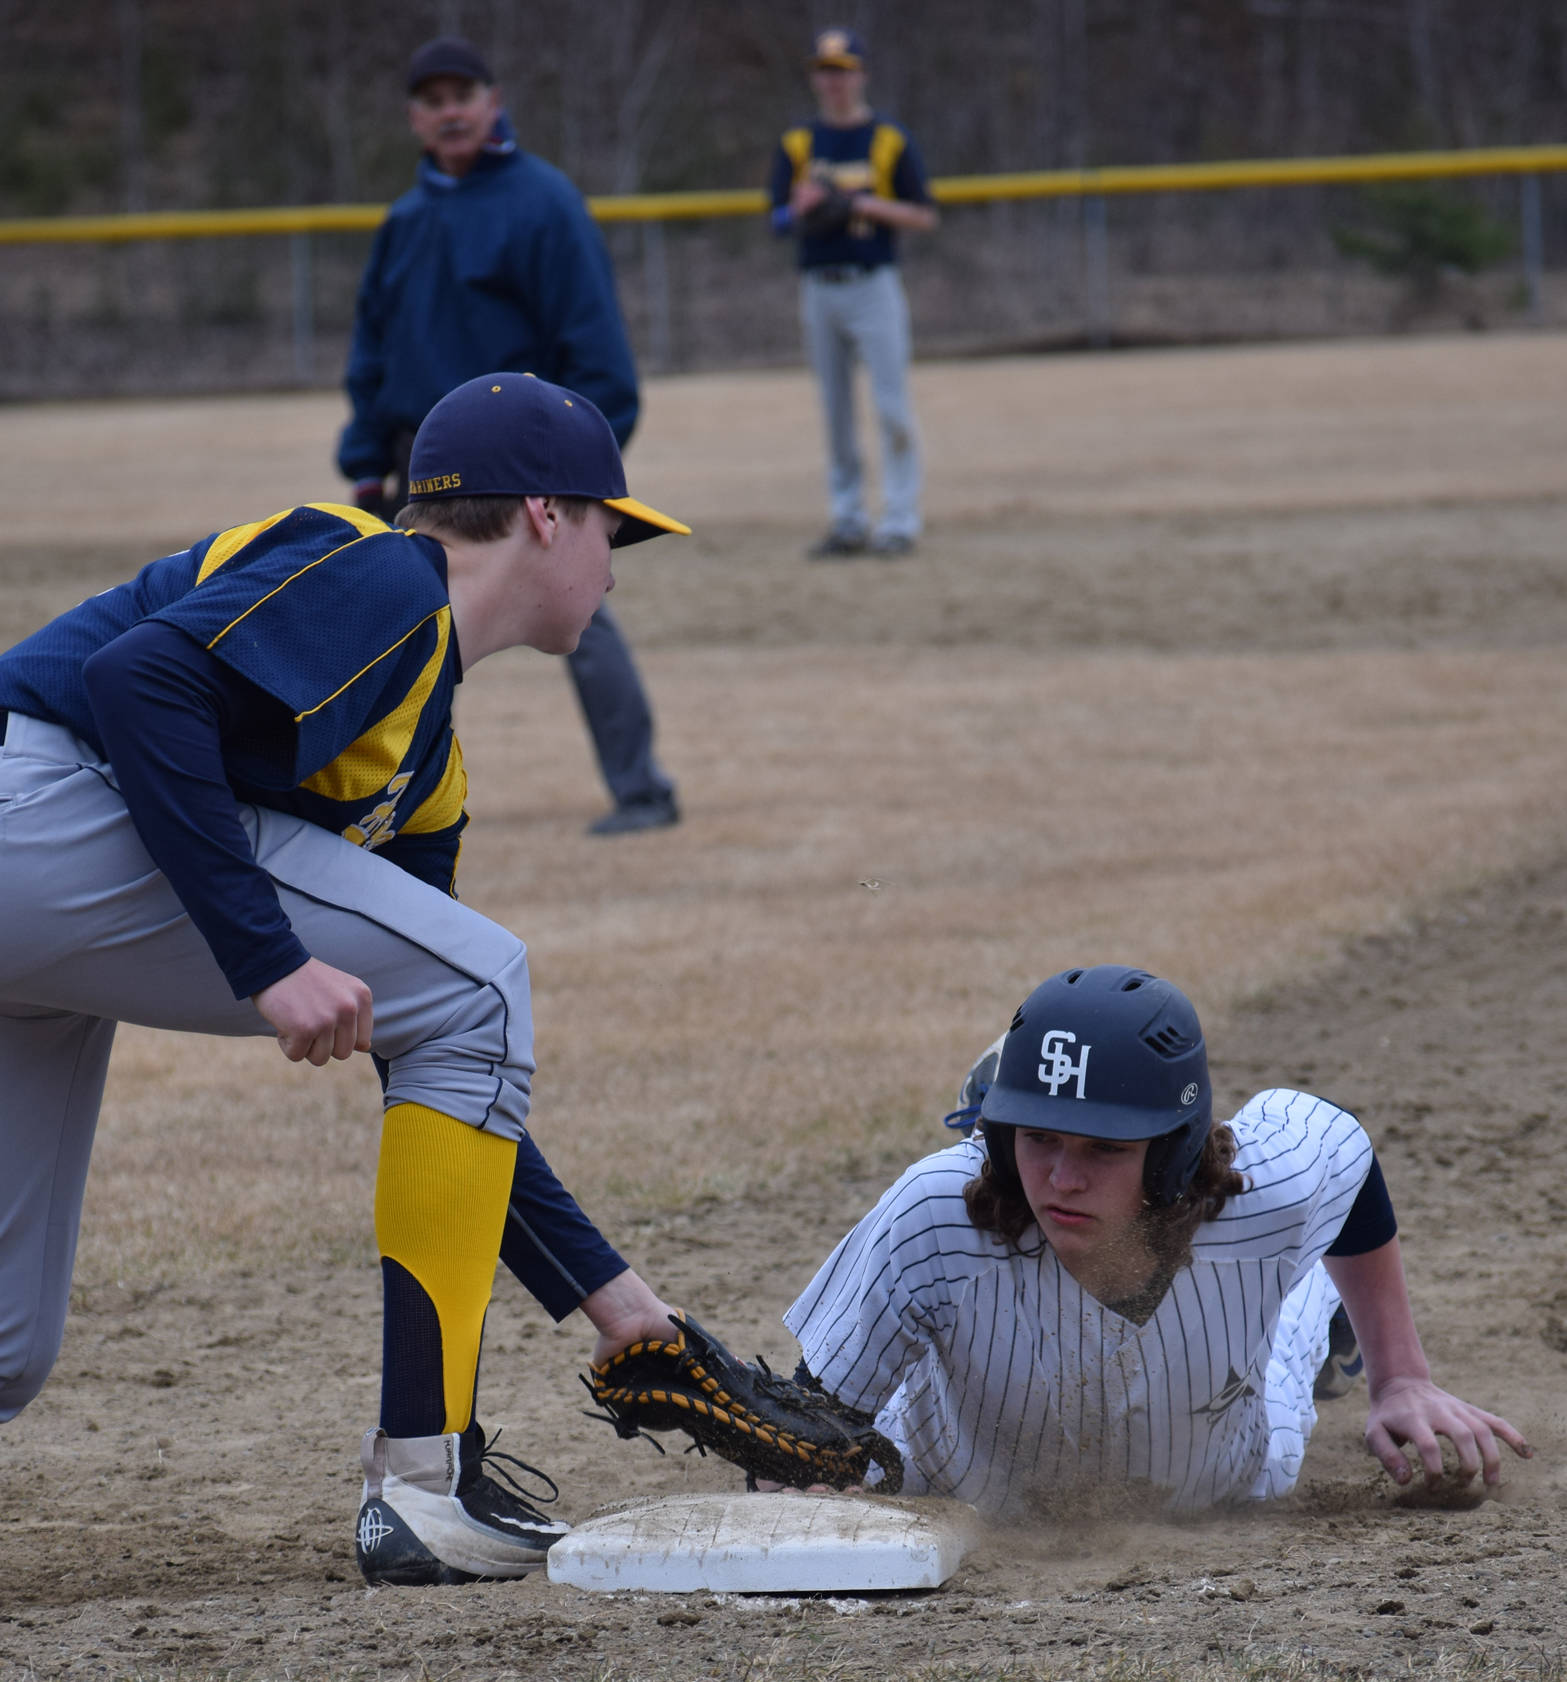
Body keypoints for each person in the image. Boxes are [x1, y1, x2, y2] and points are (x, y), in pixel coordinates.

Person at [0, 371, 697, 1587]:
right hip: (36, 799)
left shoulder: (426, 760)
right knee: (480, 982)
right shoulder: (384, 573)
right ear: (542, 514)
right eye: (610, 523)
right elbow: (134, 684)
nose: (617, 559)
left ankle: (428, 1476)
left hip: (43, 886)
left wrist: (616, 1303)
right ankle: (424, 1485)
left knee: (8, 1339)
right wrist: (268, 963)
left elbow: (447, 1067)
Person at [783, 964, 1531, 1515]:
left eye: (1103, 1147)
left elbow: (1344, 1148)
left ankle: (1319, 1302)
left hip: (1226, 1474)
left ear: (1173, 1149)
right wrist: (795, 1463)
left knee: (1283, 1313)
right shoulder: (933, 1212)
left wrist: (1399, 1376)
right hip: (956, 1477)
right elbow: (812, 1420)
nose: (1061, 1179)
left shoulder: (1264, 1190)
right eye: (1037, 1137)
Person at [337, 35, 679, 837]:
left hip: (525, 465)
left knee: (578, 611)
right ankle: (373, 799)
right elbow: (371, 351)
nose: (449, 109)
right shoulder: (406, 220)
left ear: (493, 102)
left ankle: (642, 790)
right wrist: (362, 462)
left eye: (464, 93)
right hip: (416, 466)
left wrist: (574, 472)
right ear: (414, 118)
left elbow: (600, 358)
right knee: (391, 630)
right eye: (432, 98)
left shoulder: (543, 203)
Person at [768, 28, 938, 560]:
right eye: (825, 70)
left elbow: (923, 213)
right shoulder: (798, 143)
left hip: (873, 286)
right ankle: (847, 519)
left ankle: (900, 521)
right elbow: (776, 219)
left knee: (891, 407)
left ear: (861, 75)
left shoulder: (888, 139)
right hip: (820, 288)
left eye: (842, 70)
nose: (834, 81)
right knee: (836, 411)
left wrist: (859, 204)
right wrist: (802, 207)